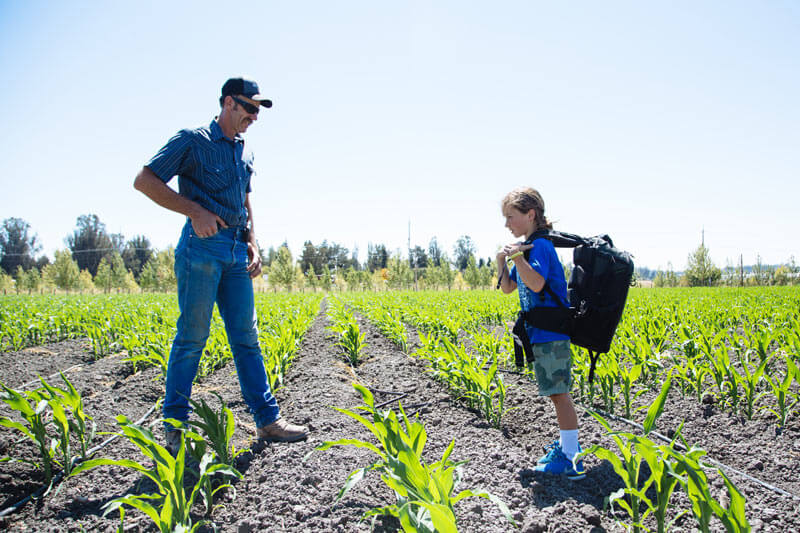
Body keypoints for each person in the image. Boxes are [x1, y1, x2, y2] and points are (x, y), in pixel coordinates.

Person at [133, 77, 309, 452]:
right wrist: (194, 210)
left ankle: (267, 421)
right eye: (249, 108)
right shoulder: (192, 140)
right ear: (228, 103)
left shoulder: (244, 151)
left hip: (235, 252)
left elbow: (246, 202)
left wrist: (253, 242)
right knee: (192, 338)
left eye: (258, 111)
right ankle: (173, 428)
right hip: (201, 250)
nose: (254, 116)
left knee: (247, 338)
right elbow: (144, 180)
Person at [496, 187, 584, 480]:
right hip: (541, 333)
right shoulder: (531, 247)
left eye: (511, 216)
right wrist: (502, 262)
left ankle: (572, 459)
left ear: (530, 214)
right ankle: (566, 449)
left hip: (551, 332)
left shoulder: (541, 246)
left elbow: (535, 284)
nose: (507, 224)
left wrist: (518, 258)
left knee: (560, 394)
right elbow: (509, 288)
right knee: (556, 393)